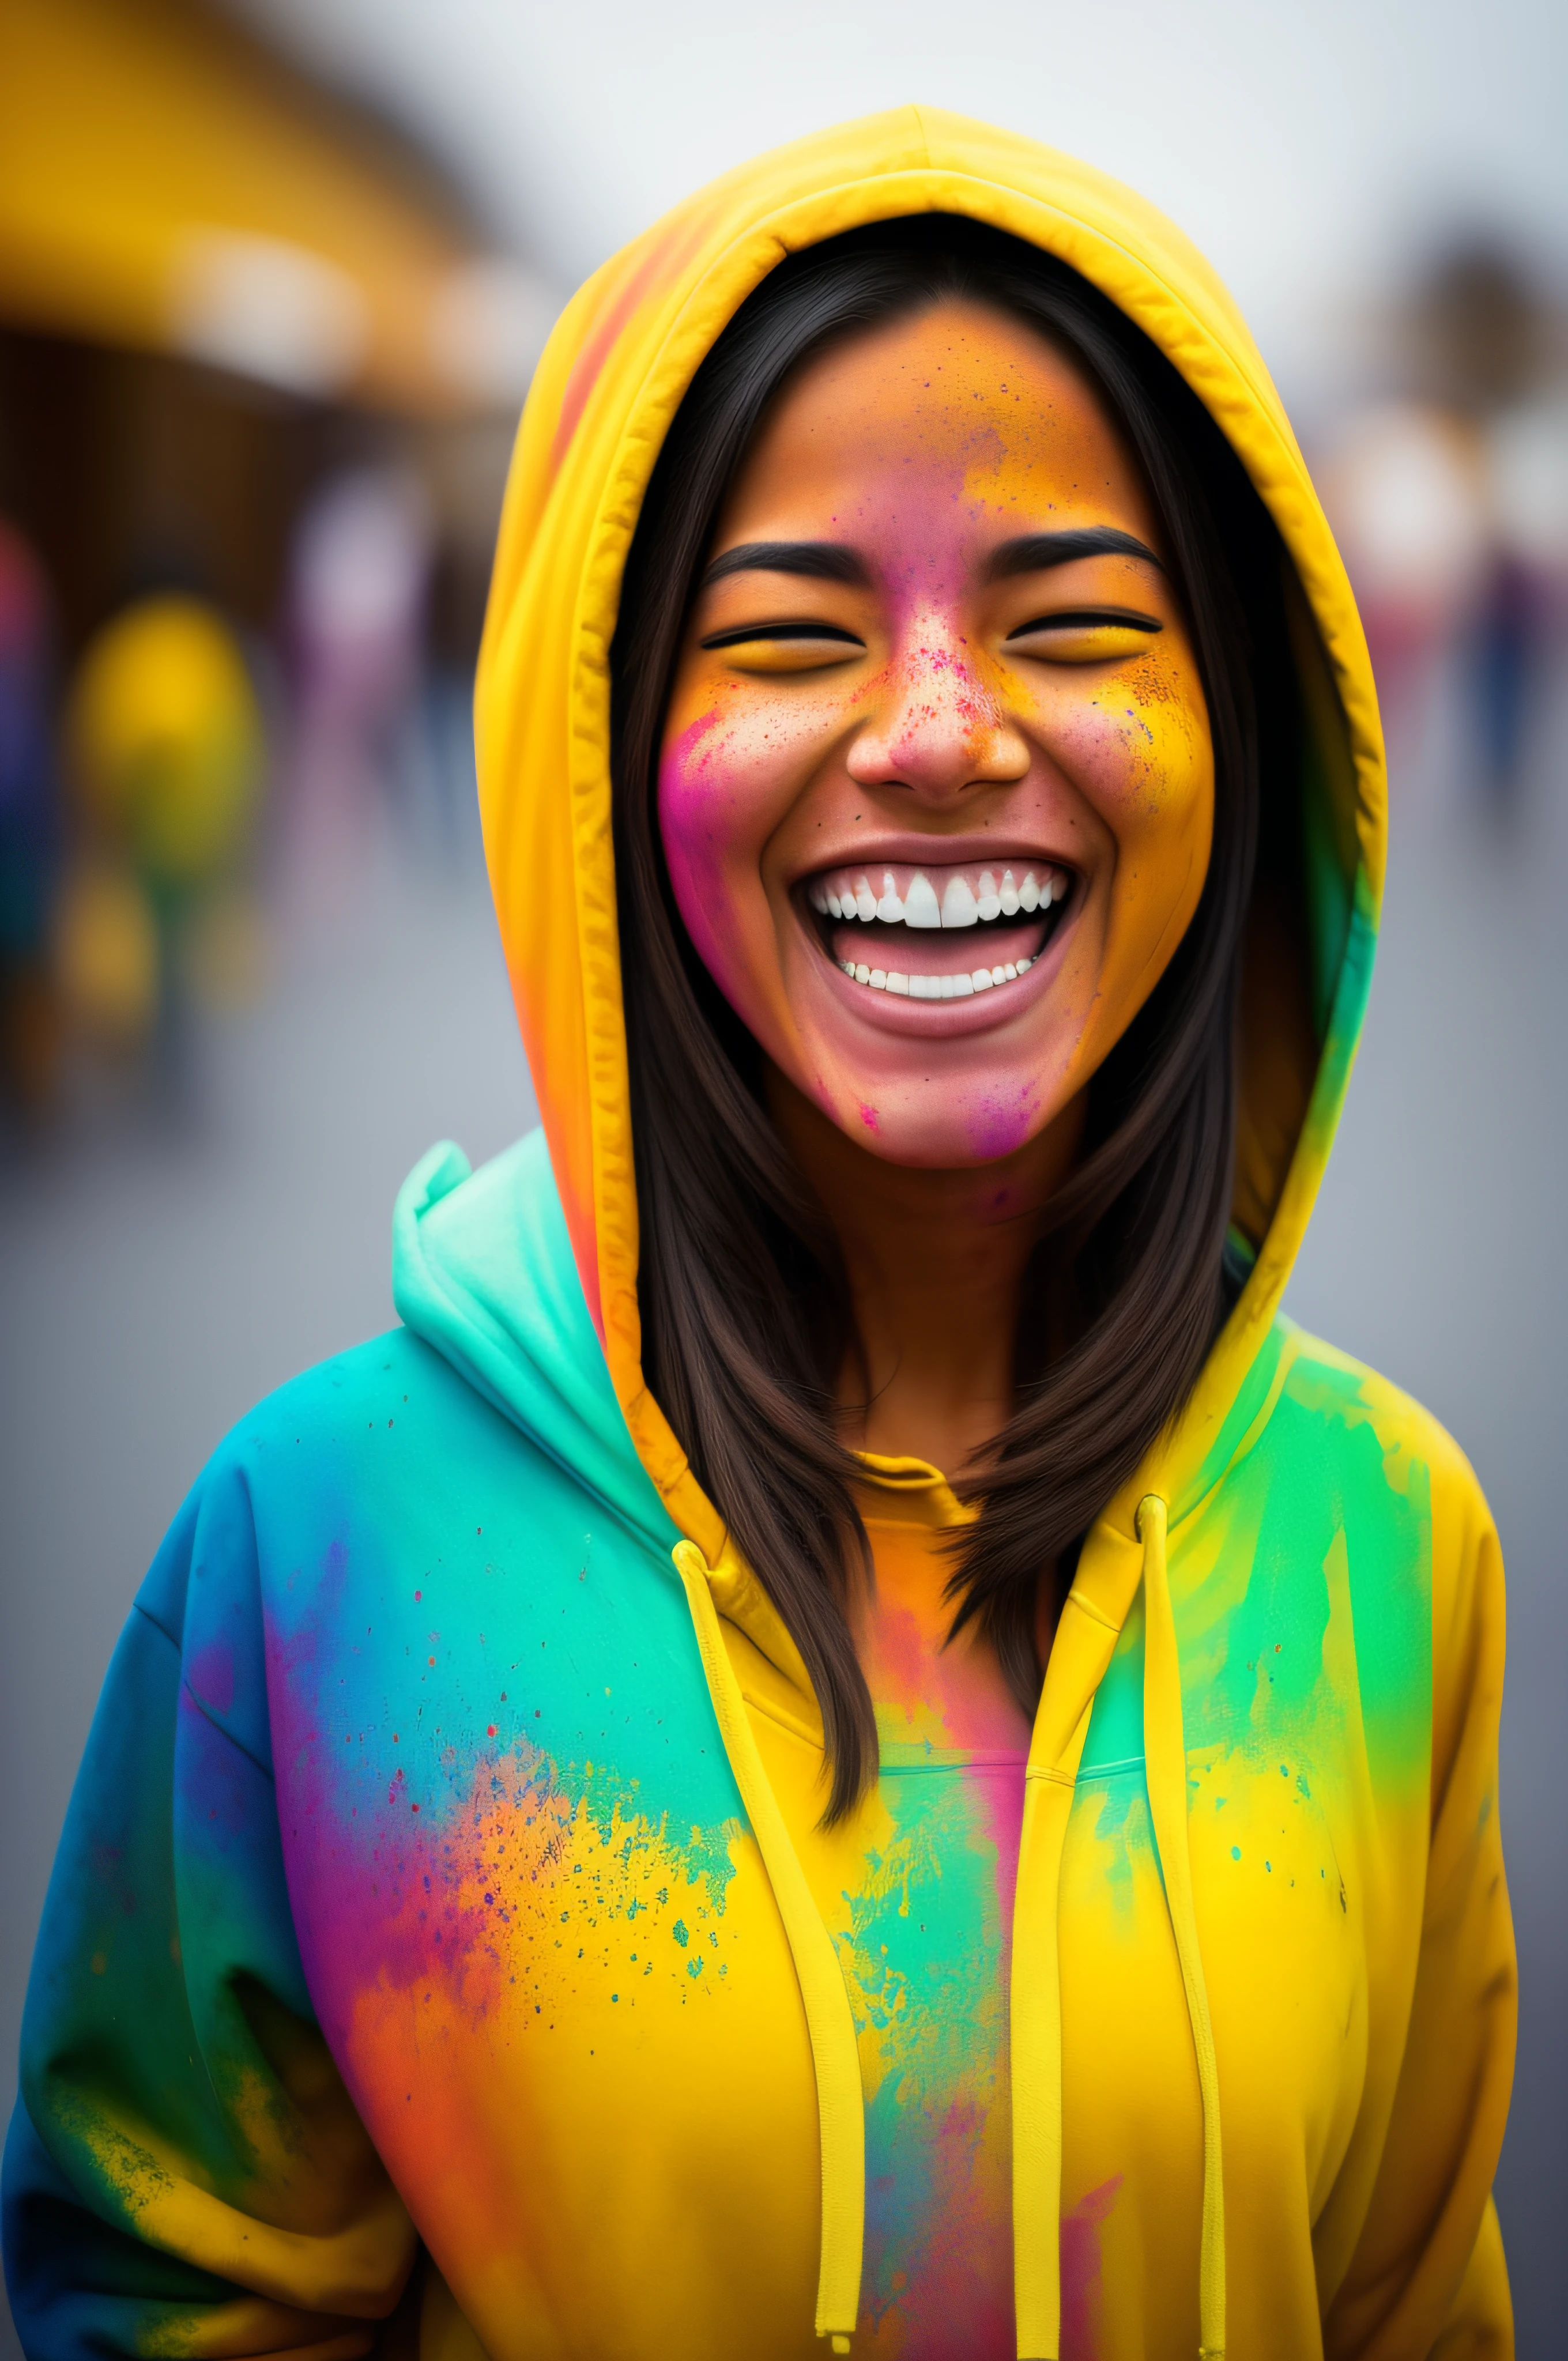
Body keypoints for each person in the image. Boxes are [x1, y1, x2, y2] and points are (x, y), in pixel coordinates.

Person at [2, 110, 1513, 2361]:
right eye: (788, 635)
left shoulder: (1384, 1540)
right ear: (599, 757)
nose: (929, 732)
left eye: (1077, 623)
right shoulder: (310, 1562)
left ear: (1245, 726)